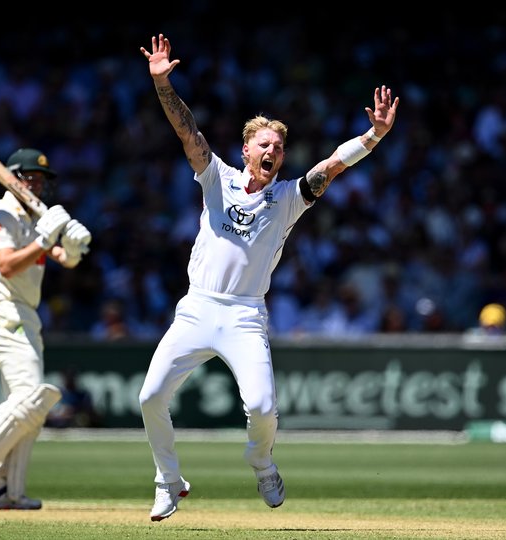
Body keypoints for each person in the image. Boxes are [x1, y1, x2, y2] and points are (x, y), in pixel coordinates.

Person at [137, 34, 398, 521]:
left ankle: (261, 461)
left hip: (244, 315)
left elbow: (332, 165)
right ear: (246, 150)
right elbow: (187, 133)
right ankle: (168, 479)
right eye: (265, 143)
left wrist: (374, 137)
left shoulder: (287, 199)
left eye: (279, 145)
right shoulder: (216, 177)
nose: (273, 149)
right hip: (198, 306)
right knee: (150, 396)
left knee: (260, 407)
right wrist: (161, 84)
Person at [0, 147, 92, 510]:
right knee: (31, 395)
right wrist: (45, 239)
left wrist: (70, 249)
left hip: (25, 317)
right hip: (1, 315)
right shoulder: (3, 214)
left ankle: (4, 490)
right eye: (32, 179)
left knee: (31, 407)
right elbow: (8, 265)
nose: (38, 186)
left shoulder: (30, 217)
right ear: (13, 179)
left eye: (42, 180)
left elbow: (58, 257)